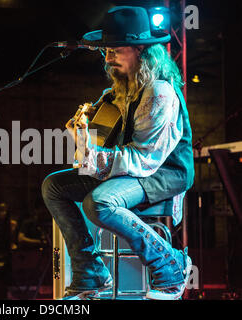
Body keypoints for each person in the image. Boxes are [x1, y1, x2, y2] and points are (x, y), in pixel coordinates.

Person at [41, 6, 195, 300]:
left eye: (115, 50)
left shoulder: (159, 93)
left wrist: (92, 154)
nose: (108, 58)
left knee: (99, 202)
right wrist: (82, 138)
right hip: (131, 168)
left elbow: (143, 158)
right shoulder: (113, 95)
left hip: (163, 172)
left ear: (140, 51)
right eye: (106, 52)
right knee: (54, 186)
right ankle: (90, 273)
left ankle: (171, 264)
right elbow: (96, 154)